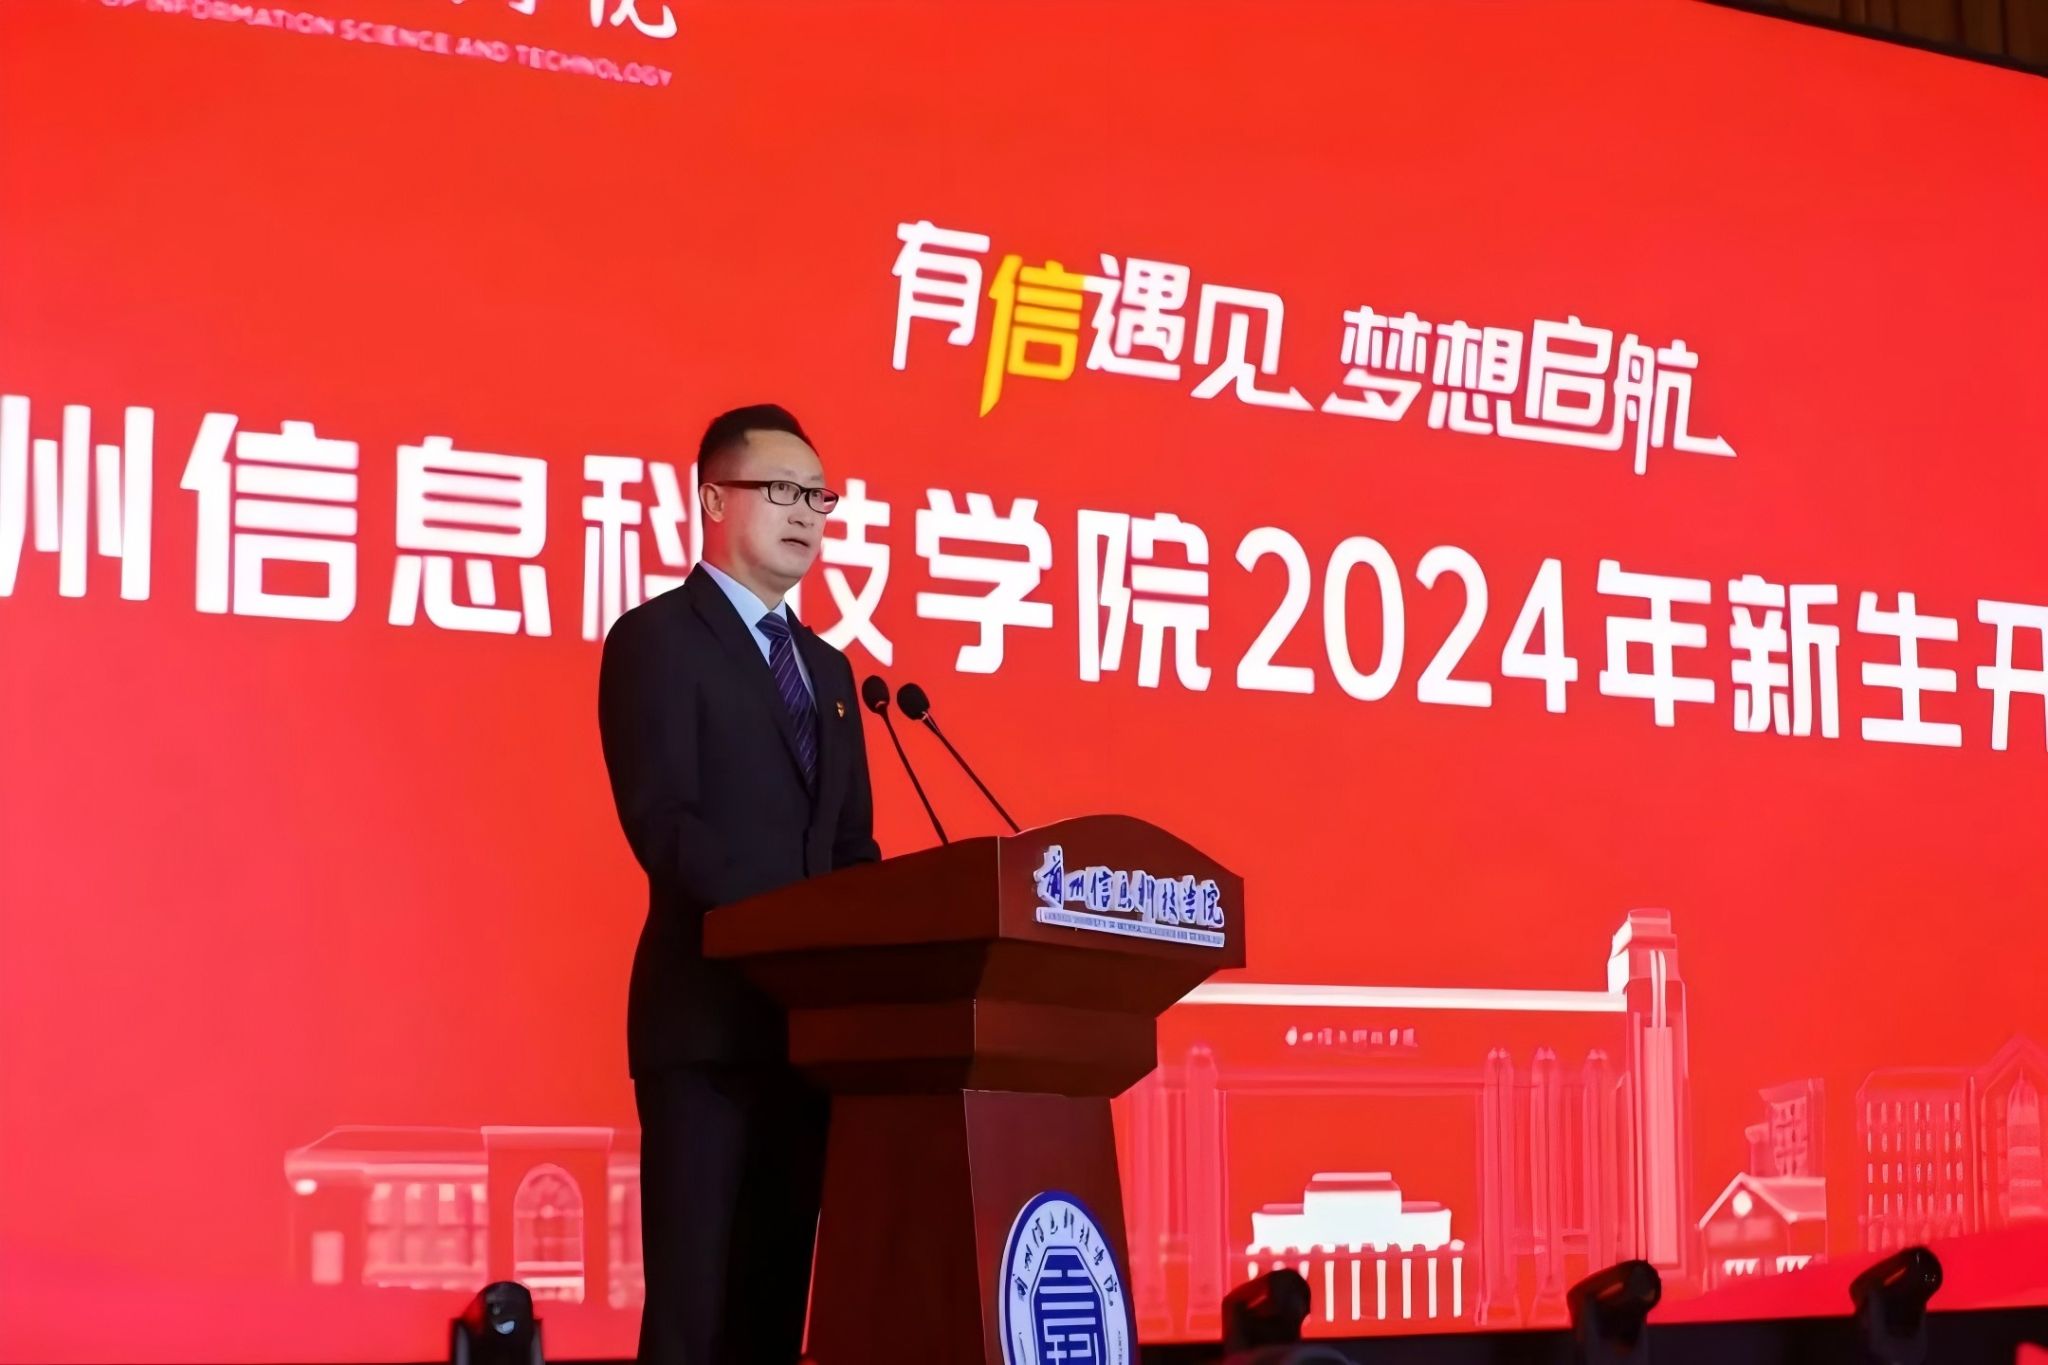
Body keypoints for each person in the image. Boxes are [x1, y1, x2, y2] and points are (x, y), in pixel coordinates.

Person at [597, 404, 880, 1365]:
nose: (806, 514)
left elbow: (852, 847)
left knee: (770, 1313)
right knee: (696, 1318)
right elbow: (665, 824)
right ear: (715, 500)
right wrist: (794, 927)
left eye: (820, 498)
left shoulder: (831, 673)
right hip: (707, 1030)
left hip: (808, 1038)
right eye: (783, 491)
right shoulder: (656, 640)